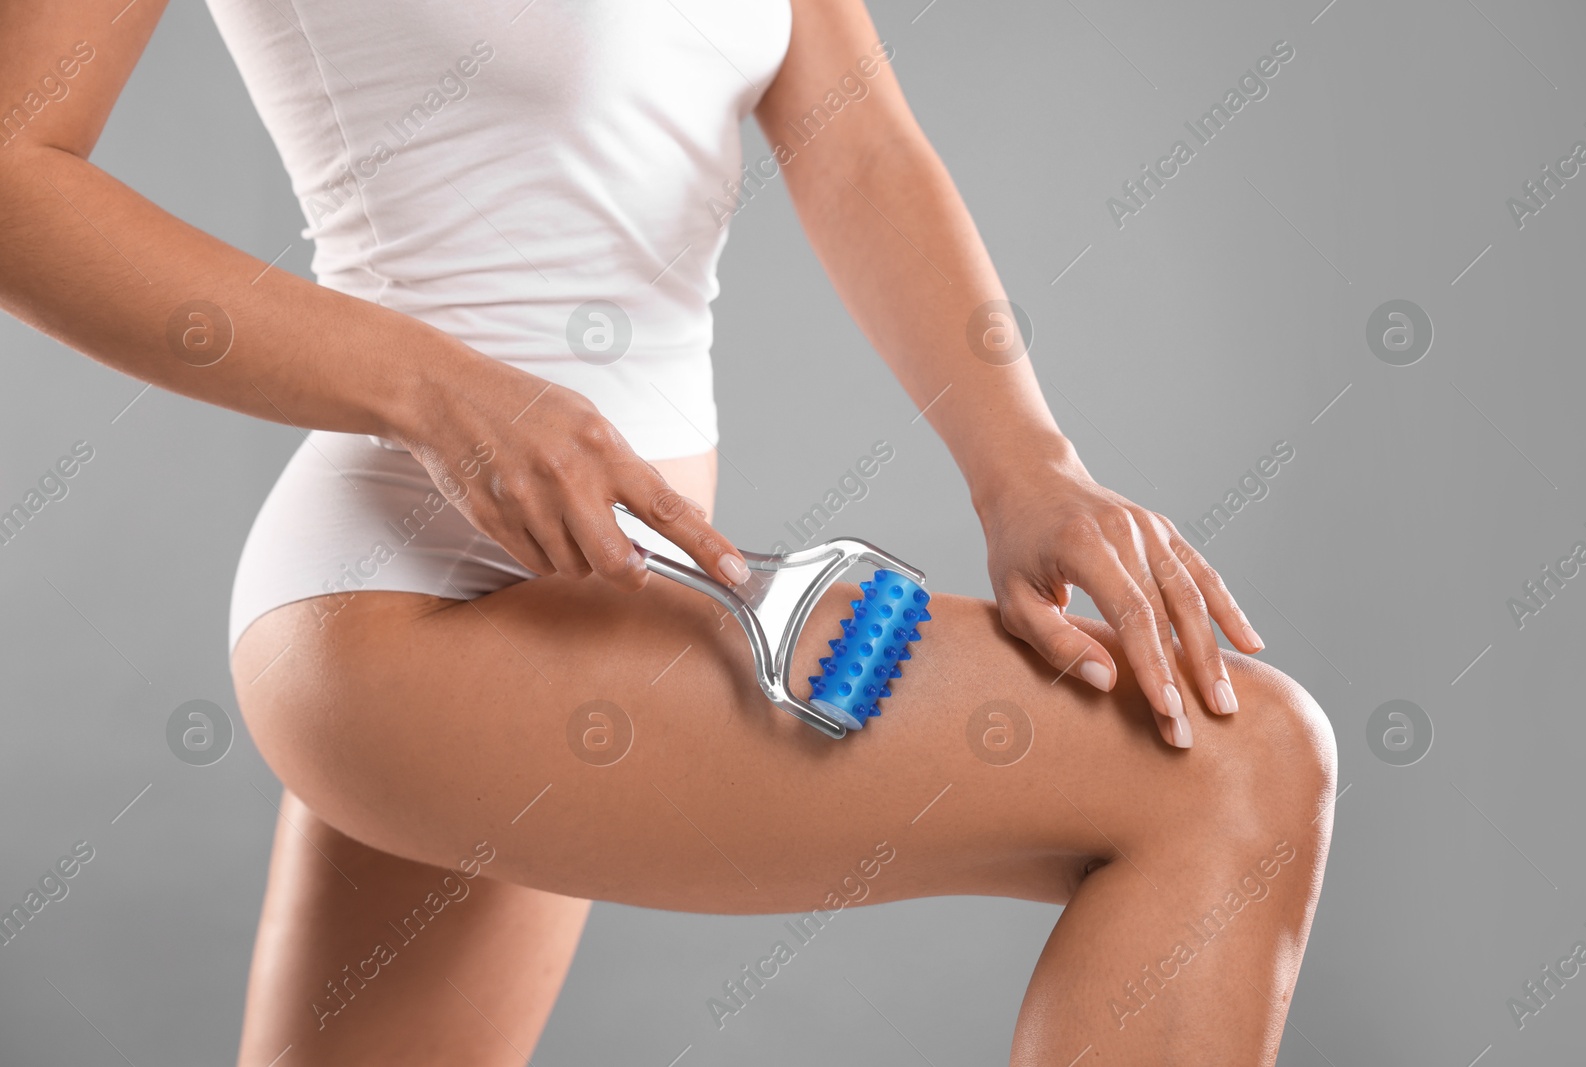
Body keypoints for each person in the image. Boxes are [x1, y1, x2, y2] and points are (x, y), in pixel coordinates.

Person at [0, 0, 1335, 1062]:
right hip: (406, 604)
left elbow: (858, 138)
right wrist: (434, 388)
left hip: (602, 592)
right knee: (1238, 775)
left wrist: (1023, 462)